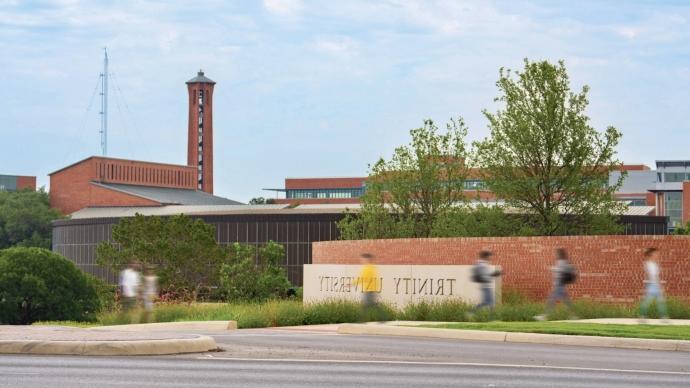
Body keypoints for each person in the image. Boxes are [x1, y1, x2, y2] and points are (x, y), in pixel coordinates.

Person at [540, 248, 577, 319]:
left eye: (556, 253)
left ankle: (544, 316)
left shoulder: (561, 262)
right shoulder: (563, 262)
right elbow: (565, 269)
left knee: (552, 300)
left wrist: (552, 268)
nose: (555, 255)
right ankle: (573, 315)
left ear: (559, 254)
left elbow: (561, 270)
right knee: (566, 301)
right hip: (560, 285)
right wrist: (554, 268)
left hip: (559, 285)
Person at [639, 247, 668, 321]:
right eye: (655, 253)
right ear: (651, 254)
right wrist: (659, 286)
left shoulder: (652, 263)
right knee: (653, 301)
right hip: (653, 285)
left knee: (659, 301)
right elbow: (653, 276)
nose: (657, 255)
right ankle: (643, 316)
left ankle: (662, 317)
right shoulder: (650, 264)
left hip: (653, 284)